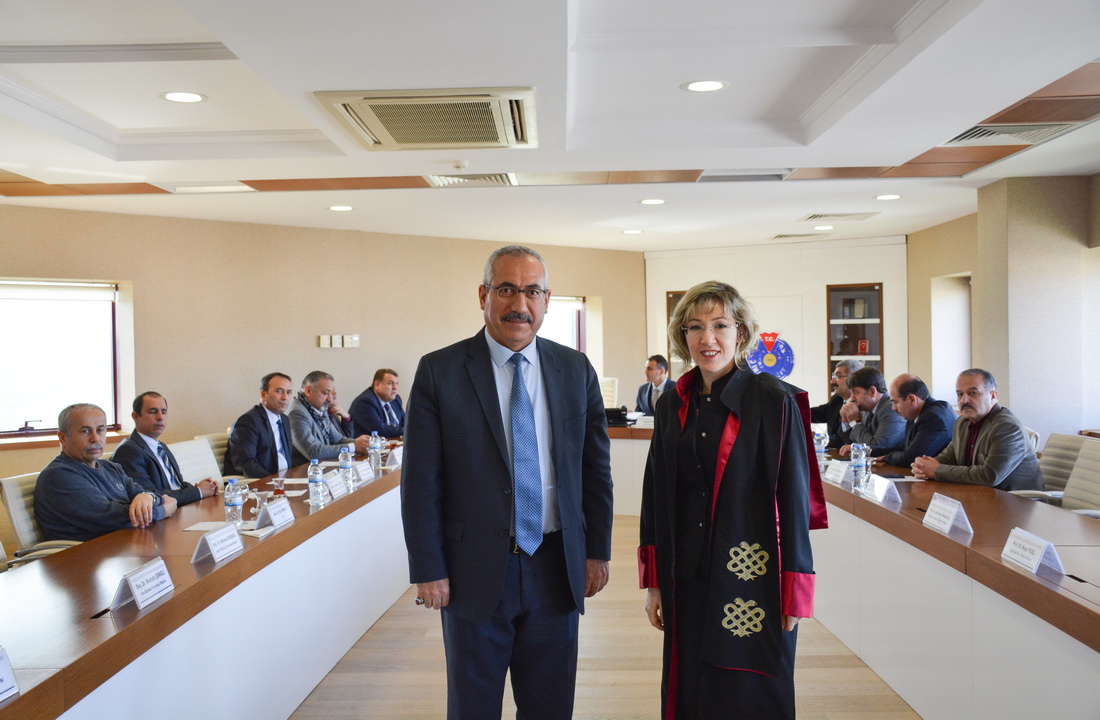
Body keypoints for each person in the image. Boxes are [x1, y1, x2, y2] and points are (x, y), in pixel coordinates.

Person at [401, 244, 614, 720]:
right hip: (472, 571)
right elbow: (420, 482)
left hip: (555, 567)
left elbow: (595, 471)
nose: (520, 304)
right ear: (483, 295)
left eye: (532, 292)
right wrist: (428, 567)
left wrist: (597, 551)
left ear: (547, 300)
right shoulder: (440, 371)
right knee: (473, 707)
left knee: (550, 706)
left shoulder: (575, 369)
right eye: (506, 290)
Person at [638, 281, 826, 720]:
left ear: (740, 332)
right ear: (682, 336)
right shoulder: (671, 404)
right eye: (695, 327)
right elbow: (655, 496)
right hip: (686, 575)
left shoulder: (774, 400)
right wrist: (654, 583)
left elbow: (794, 501)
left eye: (720, 325)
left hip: (752, 575)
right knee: (691, 689)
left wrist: (795, 591)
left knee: (748, 691)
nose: (708, 338)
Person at [35, 403, 178, 541]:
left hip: (127, 545)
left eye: (100, 430)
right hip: (89, 554)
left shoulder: (111, 468)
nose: (95, 439)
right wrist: (165, 508)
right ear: (63, 438)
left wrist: (149, 497)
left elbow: (144, 495)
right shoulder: (59, 476)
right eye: (85, 431)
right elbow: (119, 519)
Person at [912, 369, 1043, 490]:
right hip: (979, 495)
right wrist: (924, 466)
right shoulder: (962, 423)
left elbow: (990, 475)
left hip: (1017, 502)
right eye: (960, 394)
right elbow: (949, 457)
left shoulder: (1007, 427)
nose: (964, 400)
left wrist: (937, 470)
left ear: (993, 396)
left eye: (973, 393)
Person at [113, 391, 218, 506]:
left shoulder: (161, 446)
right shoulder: (129, 451)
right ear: (135, 416)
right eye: (153, 412)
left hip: (180, 508)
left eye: (164, 412)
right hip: (163, 514)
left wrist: (204, 488)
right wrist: (198, 492)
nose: (160, 417)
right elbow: (149, 496)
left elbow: (177, 484)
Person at [287, 370, 370, 465]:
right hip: (304, 470)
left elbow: (337, 440)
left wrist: (364, 444)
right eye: (325, 393)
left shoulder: (319, 408)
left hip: (323, 466)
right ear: (308, 391)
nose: (330, 399)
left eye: (331, 393)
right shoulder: (296, 413)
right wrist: (353, 447)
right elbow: (313, 452)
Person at [876, 374, 956, 468]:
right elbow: (905, 448)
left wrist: (886, 458)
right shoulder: (915, 413)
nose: (893, 408)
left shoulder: (933, 417)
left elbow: (911, 458)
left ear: (912, 399)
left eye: (895, 402)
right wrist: (870, 451)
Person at [226, 372, 295, 478]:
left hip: (285, 478)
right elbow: (245, 463)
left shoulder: (285, 419)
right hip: (260, 482)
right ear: (263, 395)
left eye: (289, 392)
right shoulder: (248, 421)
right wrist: (274, 482)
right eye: (279, 391)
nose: (285, 397)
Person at [837, 367, 906, 457]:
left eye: (856, 393)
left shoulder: (891, 409)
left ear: (872, 391)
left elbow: (877, 447)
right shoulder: (865, 407)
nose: (852, 398)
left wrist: (855, 423)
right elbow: (850, 443)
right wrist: (846, 421)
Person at [811, 359, 863, 448]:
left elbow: (845, 440)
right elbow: (814, 414)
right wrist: (790, 408)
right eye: (833, 376)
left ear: (853, 378)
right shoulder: (837, 399)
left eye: (838, 376)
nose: (832, 381)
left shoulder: (863, 405)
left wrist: (817, 438)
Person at [349, 368, 406, 438]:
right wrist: (407, 430)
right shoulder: (365, 402)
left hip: (393, 442)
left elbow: (406, 423)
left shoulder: (396, 399)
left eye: (396, 384)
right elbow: (381, 430)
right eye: (390, 383)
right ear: (377, 384)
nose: (395, 388)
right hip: (371, 444)